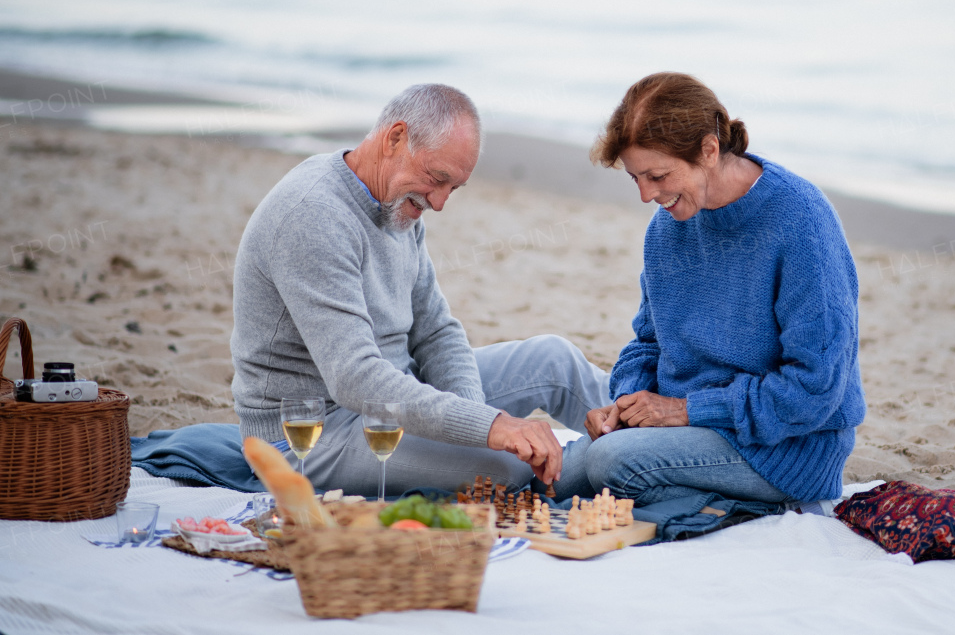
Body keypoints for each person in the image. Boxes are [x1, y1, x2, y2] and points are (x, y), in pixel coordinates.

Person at [230, 83, 610, 497]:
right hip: (313, 431)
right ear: (395, 138)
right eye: (438, 179)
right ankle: (621, 468)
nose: (441, 202)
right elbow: (355, 379)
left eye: (454, 188)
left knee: (554, 360)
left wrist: (475, 420)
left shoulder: (398, 201)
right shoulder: (314, 216)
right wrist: (492, 430)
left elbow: (436, 332)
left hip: (396, 394)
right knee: (505, 468)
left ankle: (648, 436)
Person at [555, 72, 865, 507]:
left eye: (658, 175)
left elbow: (815, 390)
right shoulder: (666, 229)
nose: (647, 195)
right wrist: (627, 401)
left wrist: (683, 411)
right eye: (636, 178)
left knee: (608, 462)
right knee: (557, 477)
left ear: (709, 149)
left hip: (784, 450)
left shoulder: (802, 223)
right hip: (685, 429)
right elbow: (648, 342)